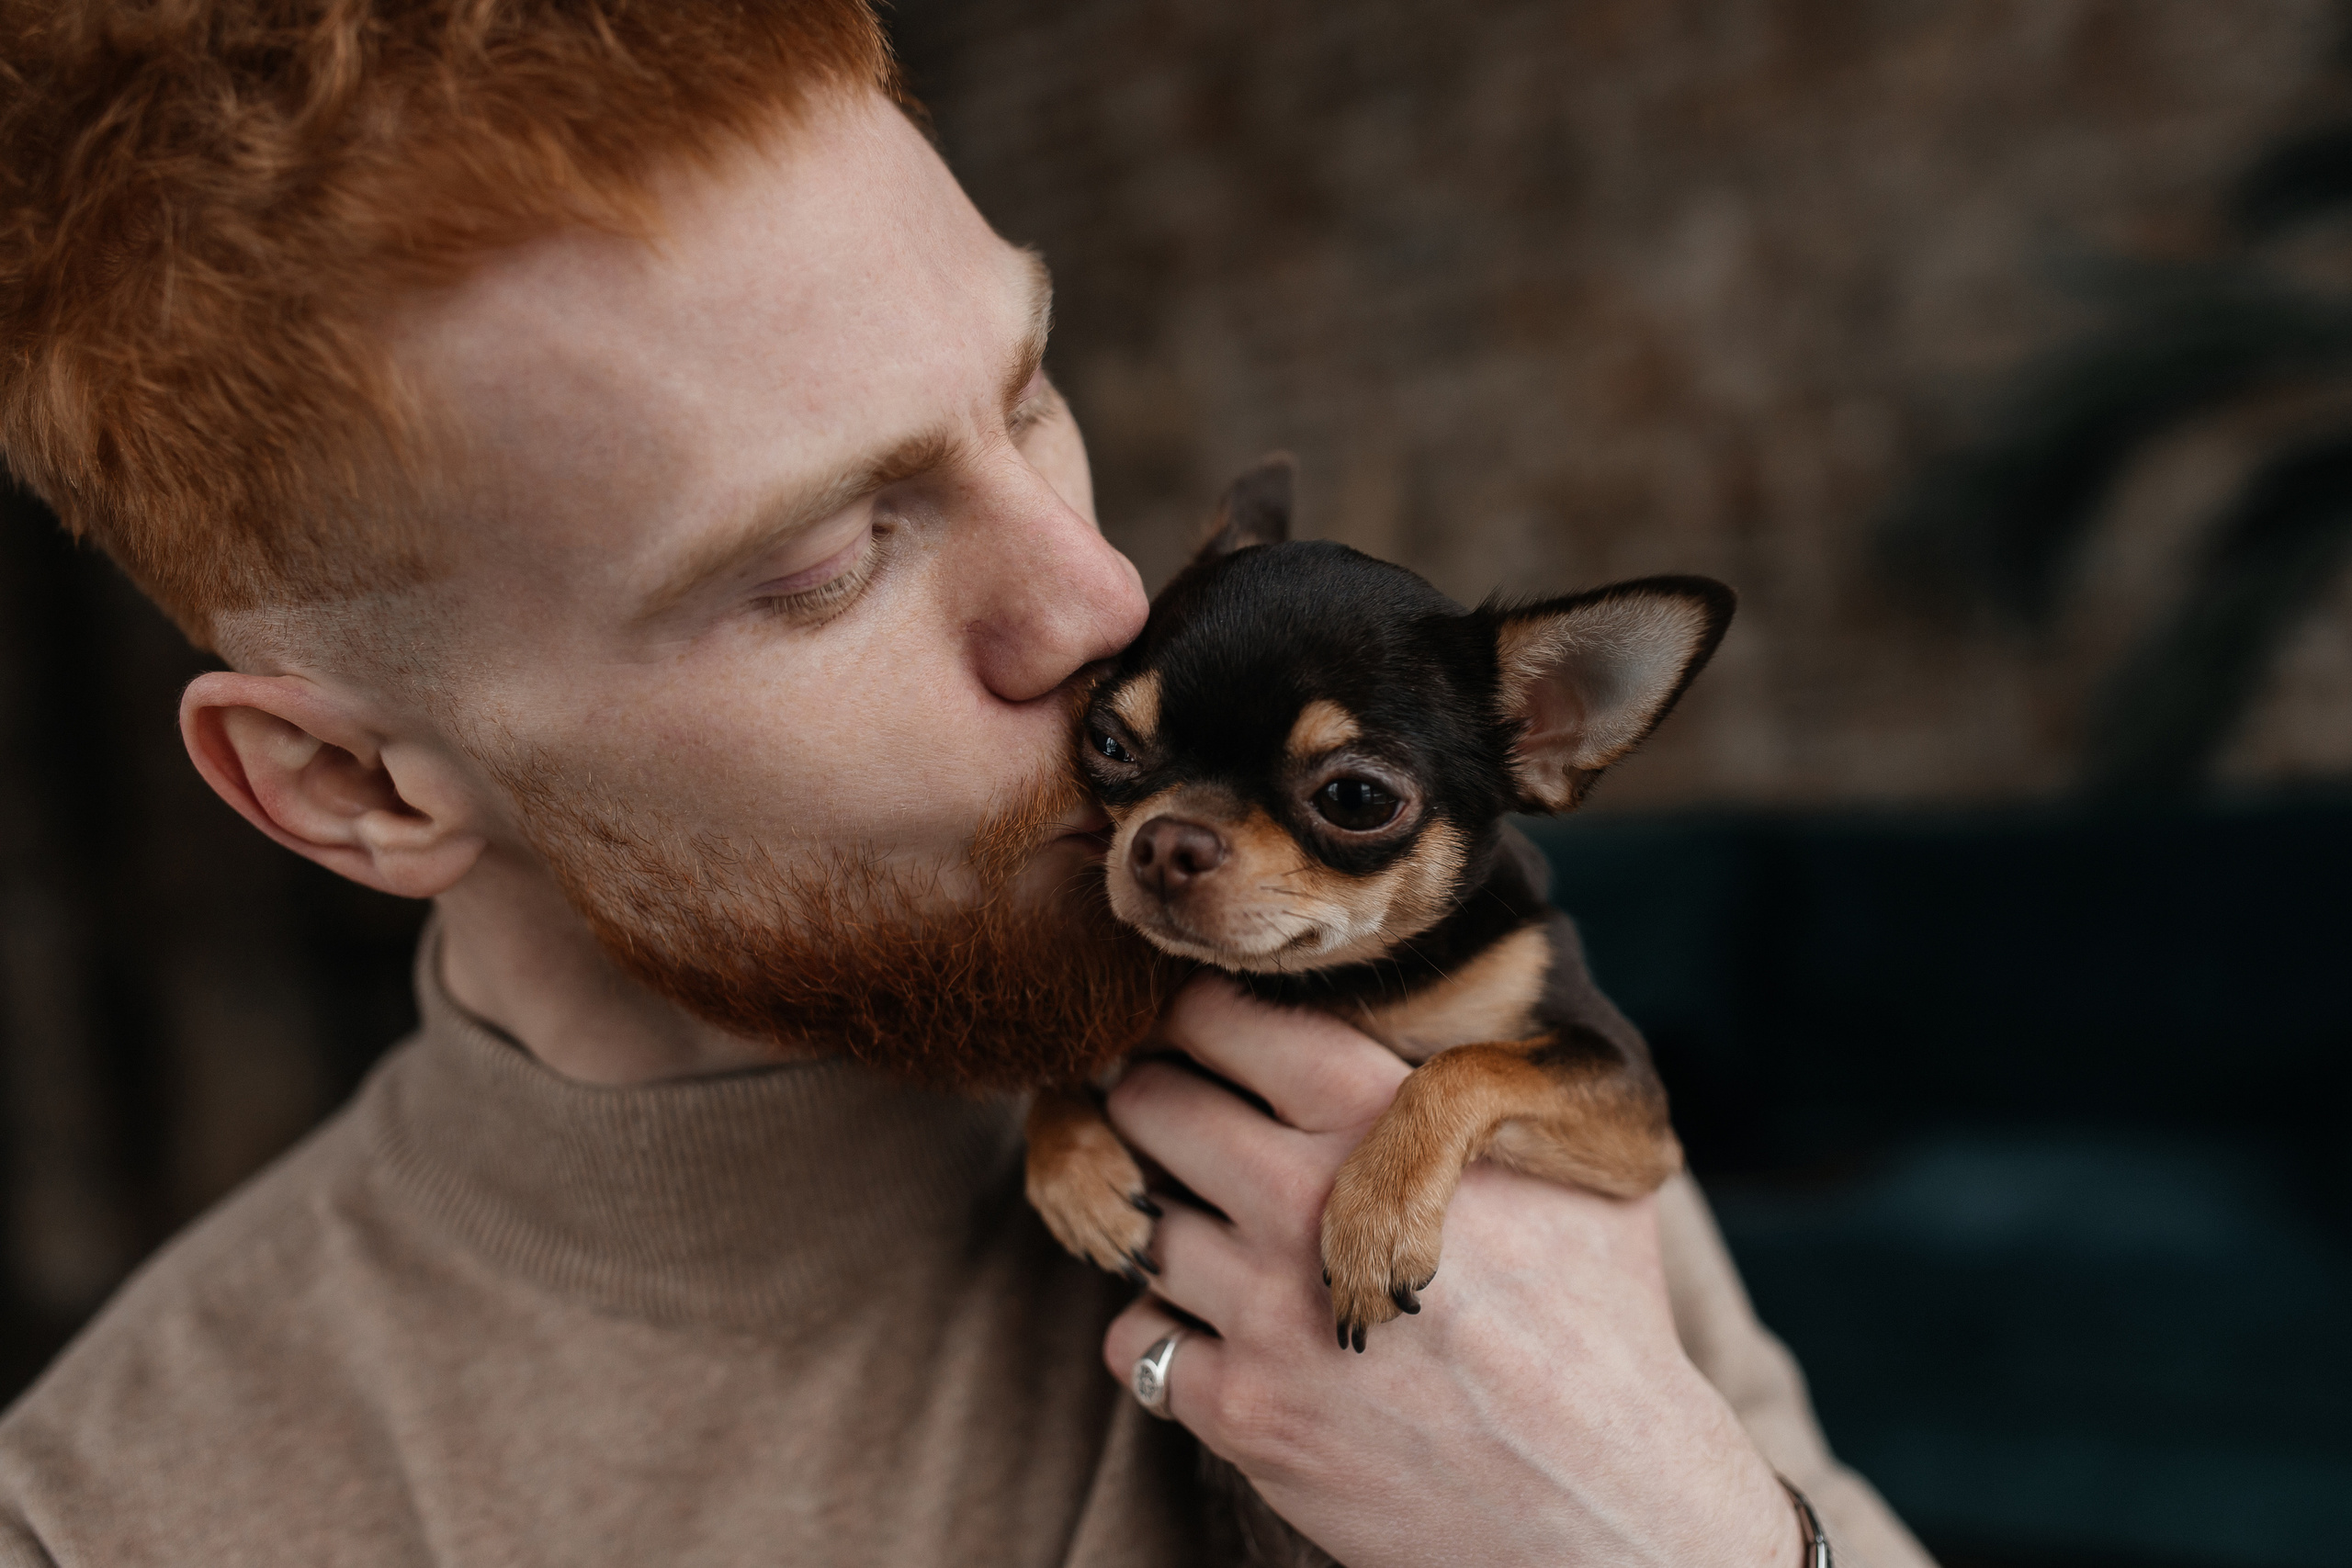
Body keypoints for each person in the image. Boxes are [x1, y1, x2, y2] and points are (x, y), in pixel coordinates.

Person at [0, 3, 1934, 1563]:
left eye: (1027, 393)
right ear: (349, 782)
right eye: (828, 558)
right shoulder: (116, 1515)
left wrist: (1671, 1536)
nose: (1100, 604)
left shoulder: (1385, 1042)